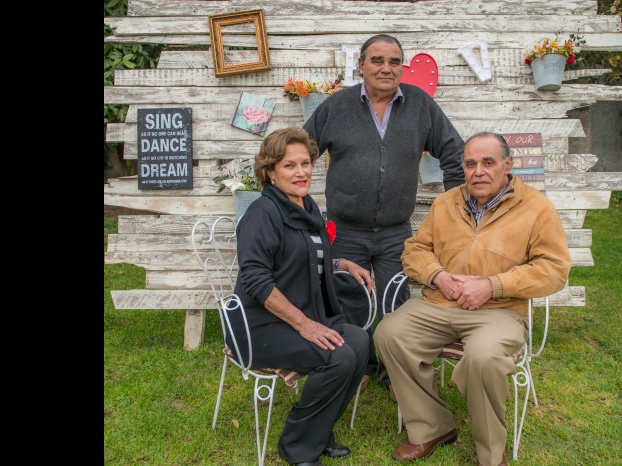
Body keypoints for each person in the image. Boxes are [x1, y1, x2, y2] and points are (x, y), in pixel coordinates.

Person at [373, 132, 572, 466]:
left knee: (482, 357)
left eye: (488, 162)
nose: (478, 171)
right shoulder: (446, 202)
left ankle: (491, 455)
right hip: (438, 303)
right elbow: (416, 249)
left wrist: (493, 286)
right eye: (471, 164)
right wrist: (438, 276)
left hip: (499, 311)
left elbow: (554, 269)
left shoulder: (536, 208)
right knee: (389, 334)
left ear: (508, 165)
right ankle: (432, 427)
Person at [303, 33, 466, 396]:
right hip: (344, 229)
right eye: (377, 60)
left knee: (397, 303)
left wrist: (455, 206)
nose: (386, 68)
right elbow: (300, 152)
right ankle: (356, 366)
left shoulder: (421, 106)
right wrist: (299, 205)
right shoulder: (337, 107)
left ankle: (394, 373)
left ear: (401, 68)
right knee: (349, 299)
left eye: (394, 61)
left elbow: (454, 151)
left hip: (396, 230)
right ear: (360, 65)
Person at [229, 127, 374, 466]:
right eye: (289, 166)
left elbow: (305, 257)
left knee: (358, 342)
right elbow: (256, 280)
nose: (301, 172)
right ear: (270, 173)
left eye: (305, 163)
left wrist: (343, 263)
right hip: (260, 325)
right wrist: (306, 325)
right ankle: (296, 444)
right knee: (338, 356)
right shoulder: (262, 214)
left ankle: (318, 430)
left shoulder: (306, 207)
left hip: (299, 316)